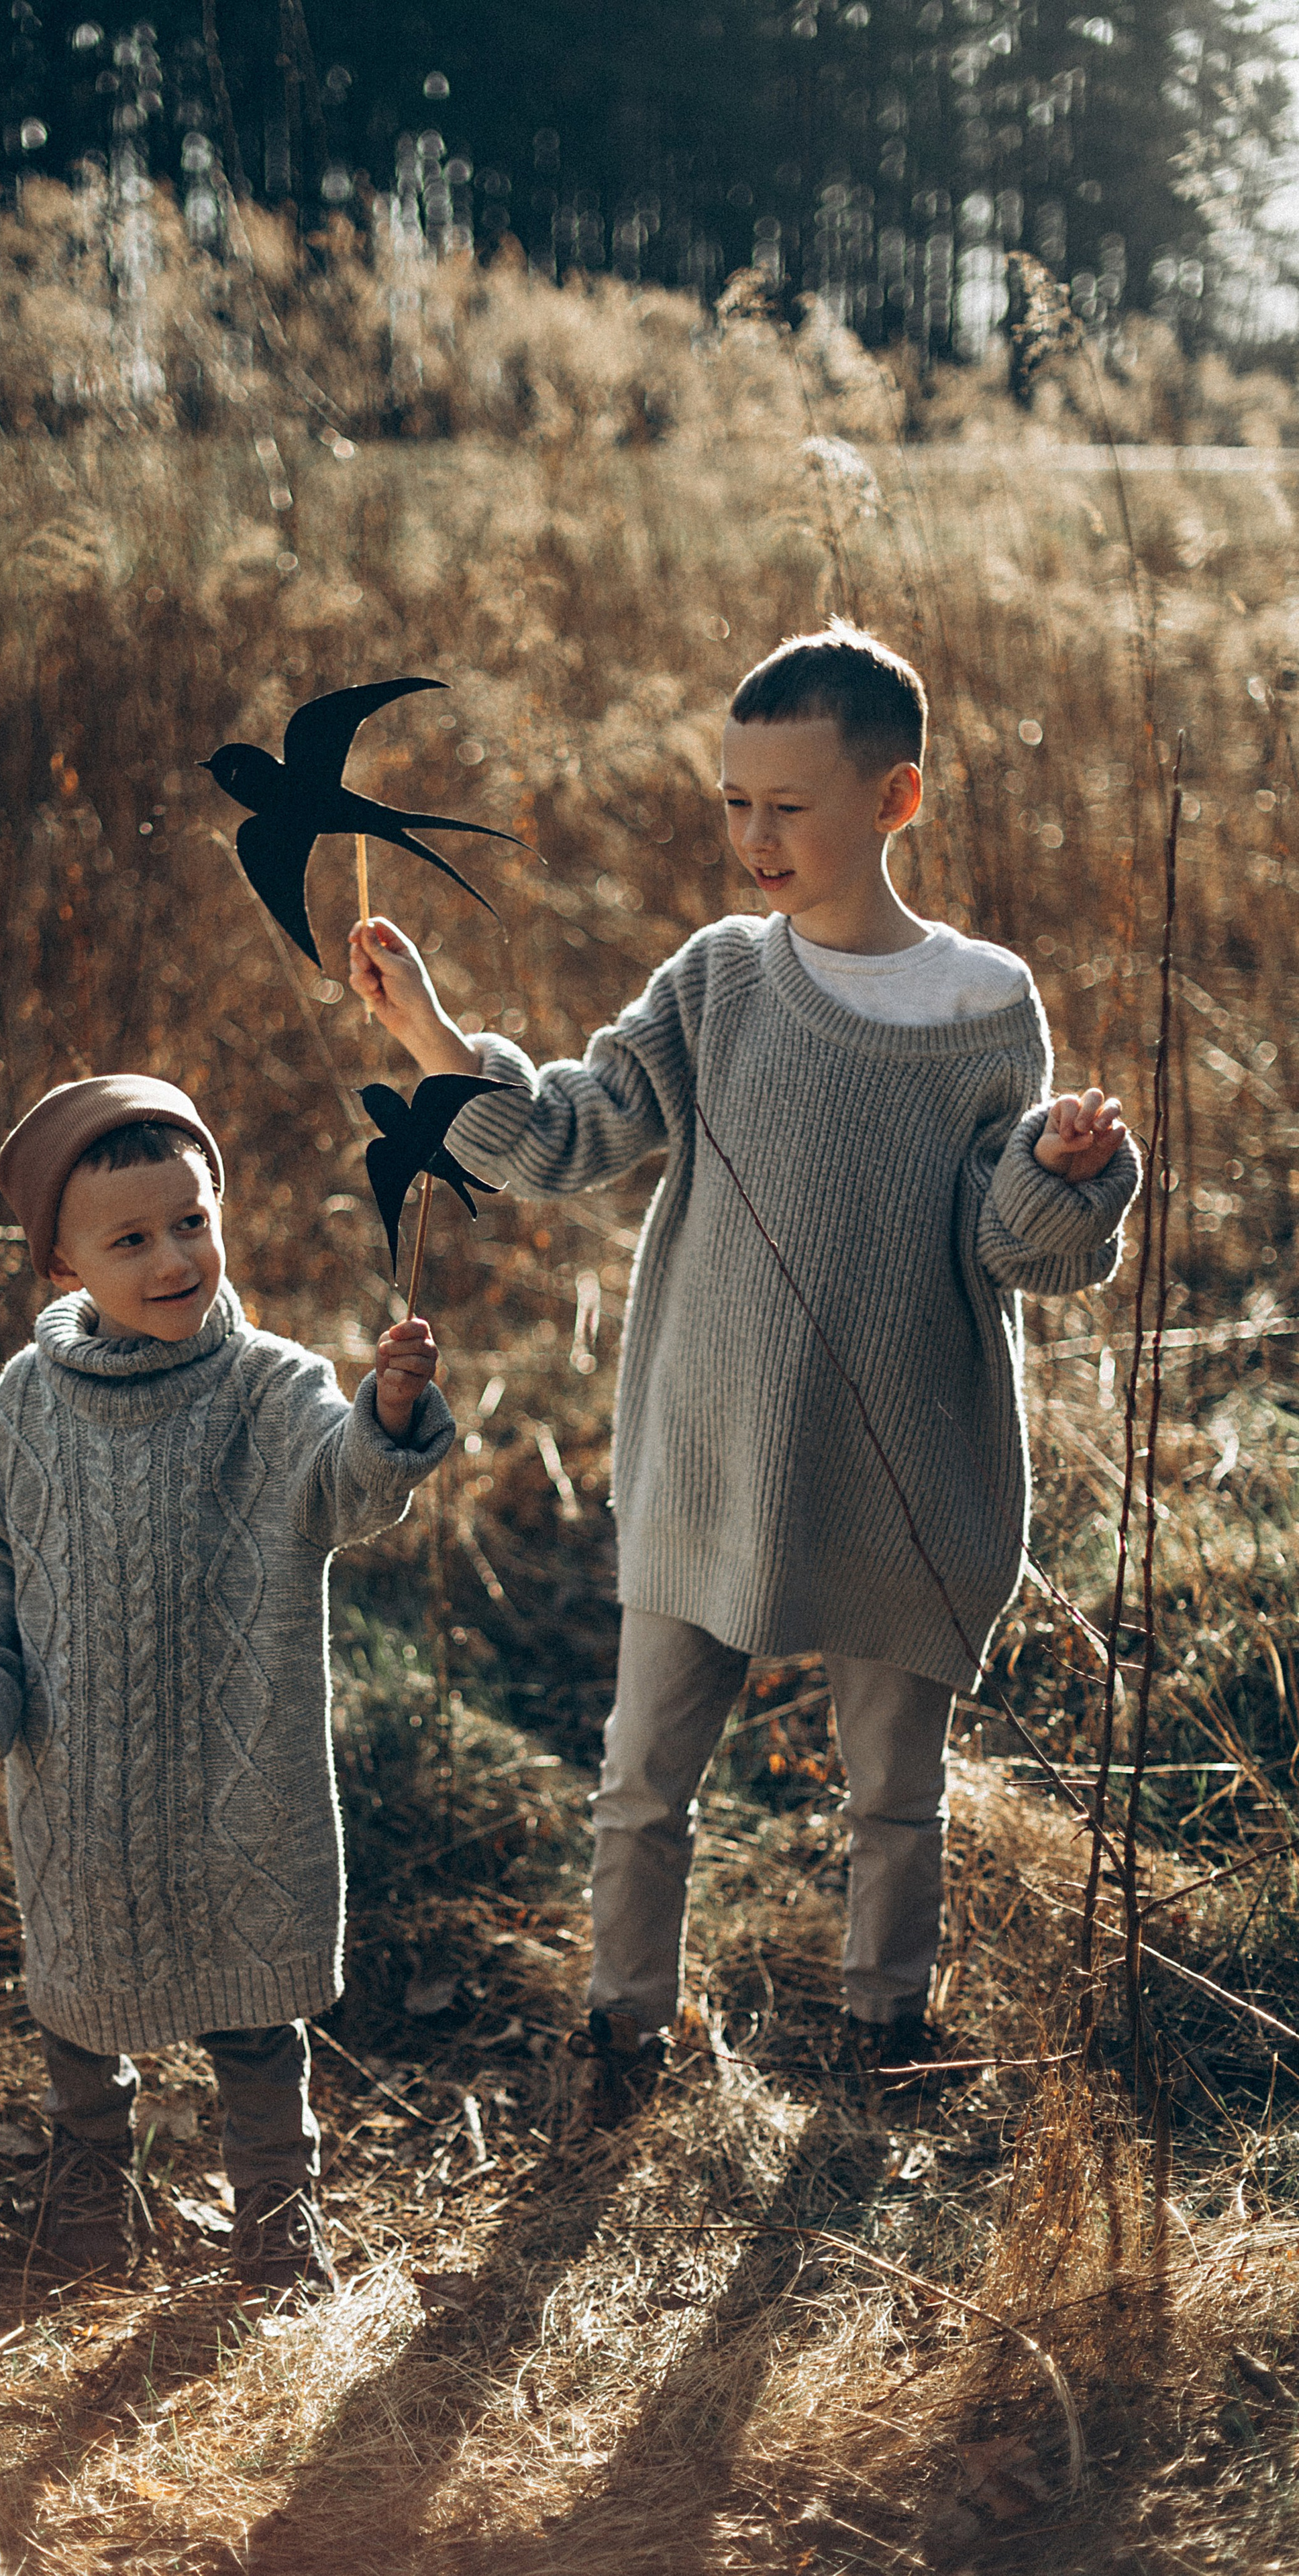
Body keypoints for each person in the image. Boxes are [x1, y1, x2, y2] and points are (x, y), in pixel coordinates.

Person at [348, 621, 1139, 2122]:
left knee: (894, 1799)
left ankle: (883, 2039)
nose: (752, 837)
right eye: (730, 803)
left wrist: (1060, 1169)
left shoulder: (985, 1005)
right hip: (709, 1448)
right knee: (643, 1781)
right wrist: (438, 1039)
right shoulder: (715, 981)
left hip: (900, 1464)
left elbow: (1013, 1247)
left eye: (785, 804)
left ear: (892, 801)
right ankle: (621, 2037)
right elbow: (572, 1133)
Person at [0, 1073, 452, 2284]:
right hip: (81, 1781)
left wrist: (388, 1413)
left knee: (255, 2015)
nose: (173, 1258)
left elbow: (346, 1491)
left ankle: (277, 2216)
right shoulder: (26, 1406)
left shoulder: (270, 1387)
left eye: (191, 1222)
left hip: (237, 1774)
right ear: (63, 1270)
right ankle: (92, 2196)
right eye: (131, 1239)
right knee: (78, 2004)